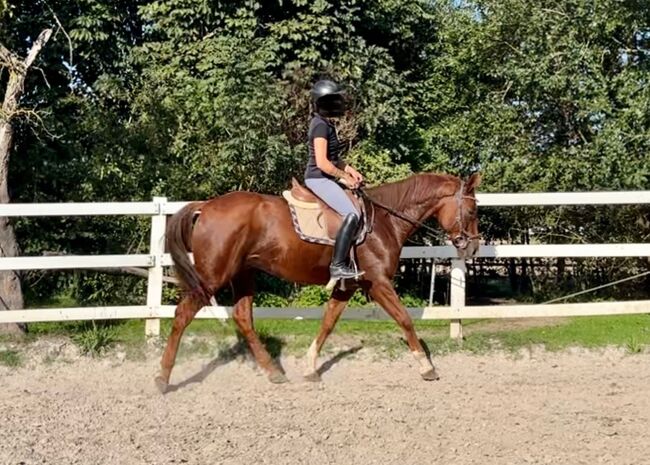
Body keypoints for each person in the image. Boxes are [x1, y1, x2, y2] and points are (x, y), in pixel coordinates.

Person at [304, 79, 365, 280]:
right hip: (318, 178)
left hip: (326, 177)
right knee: (352, 213)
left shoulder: (326, 124)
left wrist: (350, 169)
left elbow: (334, 158)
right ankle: (338, 265)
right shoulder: (320, 126)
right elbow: (322, 162)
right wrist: (344, 178)